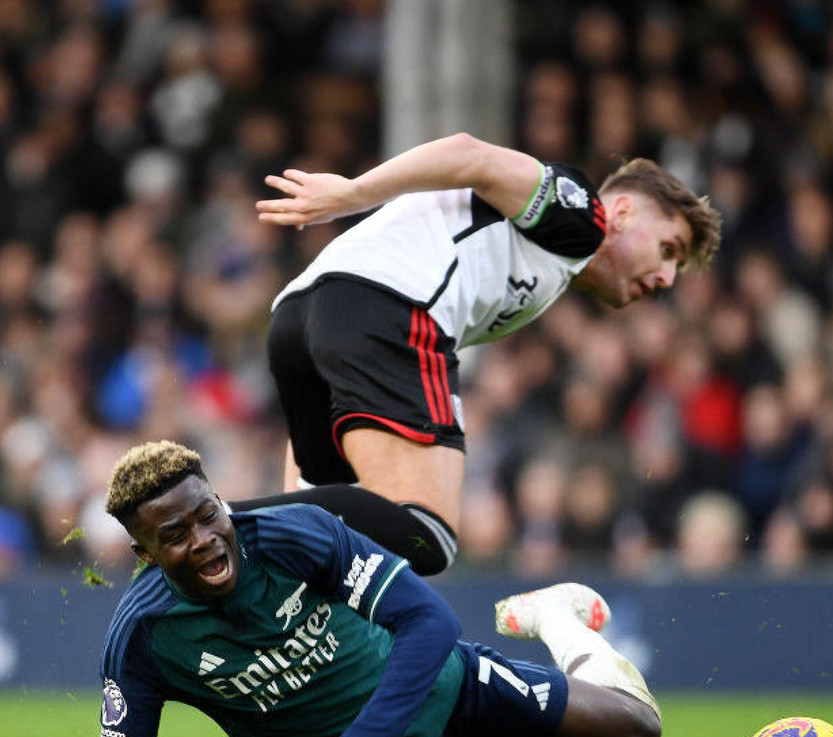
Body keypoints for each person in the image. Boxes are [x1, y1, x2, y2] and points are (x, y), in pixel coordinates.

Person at [96, 440, 661, 737]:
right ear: (144, 553)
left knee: (637, 730)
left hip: (445, 689)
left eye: (209, 512)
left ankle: (556, 619)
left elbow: (431, 621)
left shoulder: (292, 535)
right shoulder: (143, 635)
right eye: (174, 535)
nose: (205, 539)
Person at [234, 136, 723, 578]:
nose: (666, 279)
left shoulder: (549, 257)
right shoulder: (583, 218)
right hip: (384, 306)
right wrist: (352, 194)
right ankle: (207, 519)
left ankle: (199, 546)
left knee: (318, 544)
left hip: (299, 316)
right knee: (428, 534)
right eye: (668, 249)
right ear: (621, 213)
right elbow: (470, 155)